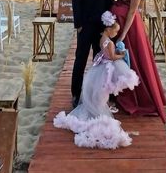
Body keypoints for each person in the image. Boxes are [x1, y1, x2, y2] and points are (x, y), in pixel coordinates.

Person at [54, 11, 139, 149]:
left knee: (100, 91)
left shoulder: (102, 39)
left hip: (98, 68)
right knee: (103, 91)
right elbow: (111, 57)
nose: (116, 34)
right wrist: (122, 55)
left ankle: (96, 107)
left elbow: (104, 53)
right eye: (115, 31)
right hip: (106, 69)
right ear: (108, 29)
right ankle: (98, 112)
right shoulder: (110, 43)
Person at [110, 0, 166, 123]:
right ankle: (120, 94)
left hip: (129, 28)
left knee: (132, 60)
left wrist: (123, 34)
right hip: (117, 23)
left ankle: (138, 97)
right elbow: (120, 1)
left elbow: (132, 13)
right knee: (119, 61)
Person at [71, 0, 114, 108]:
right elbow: (76, 2)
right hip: (85, 27)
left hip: (102, 28)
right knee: (80, 60)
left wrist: (109, 24)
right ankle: (76, 94)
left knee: (100, 61)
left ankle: (97, 94)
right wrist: (79, 25)